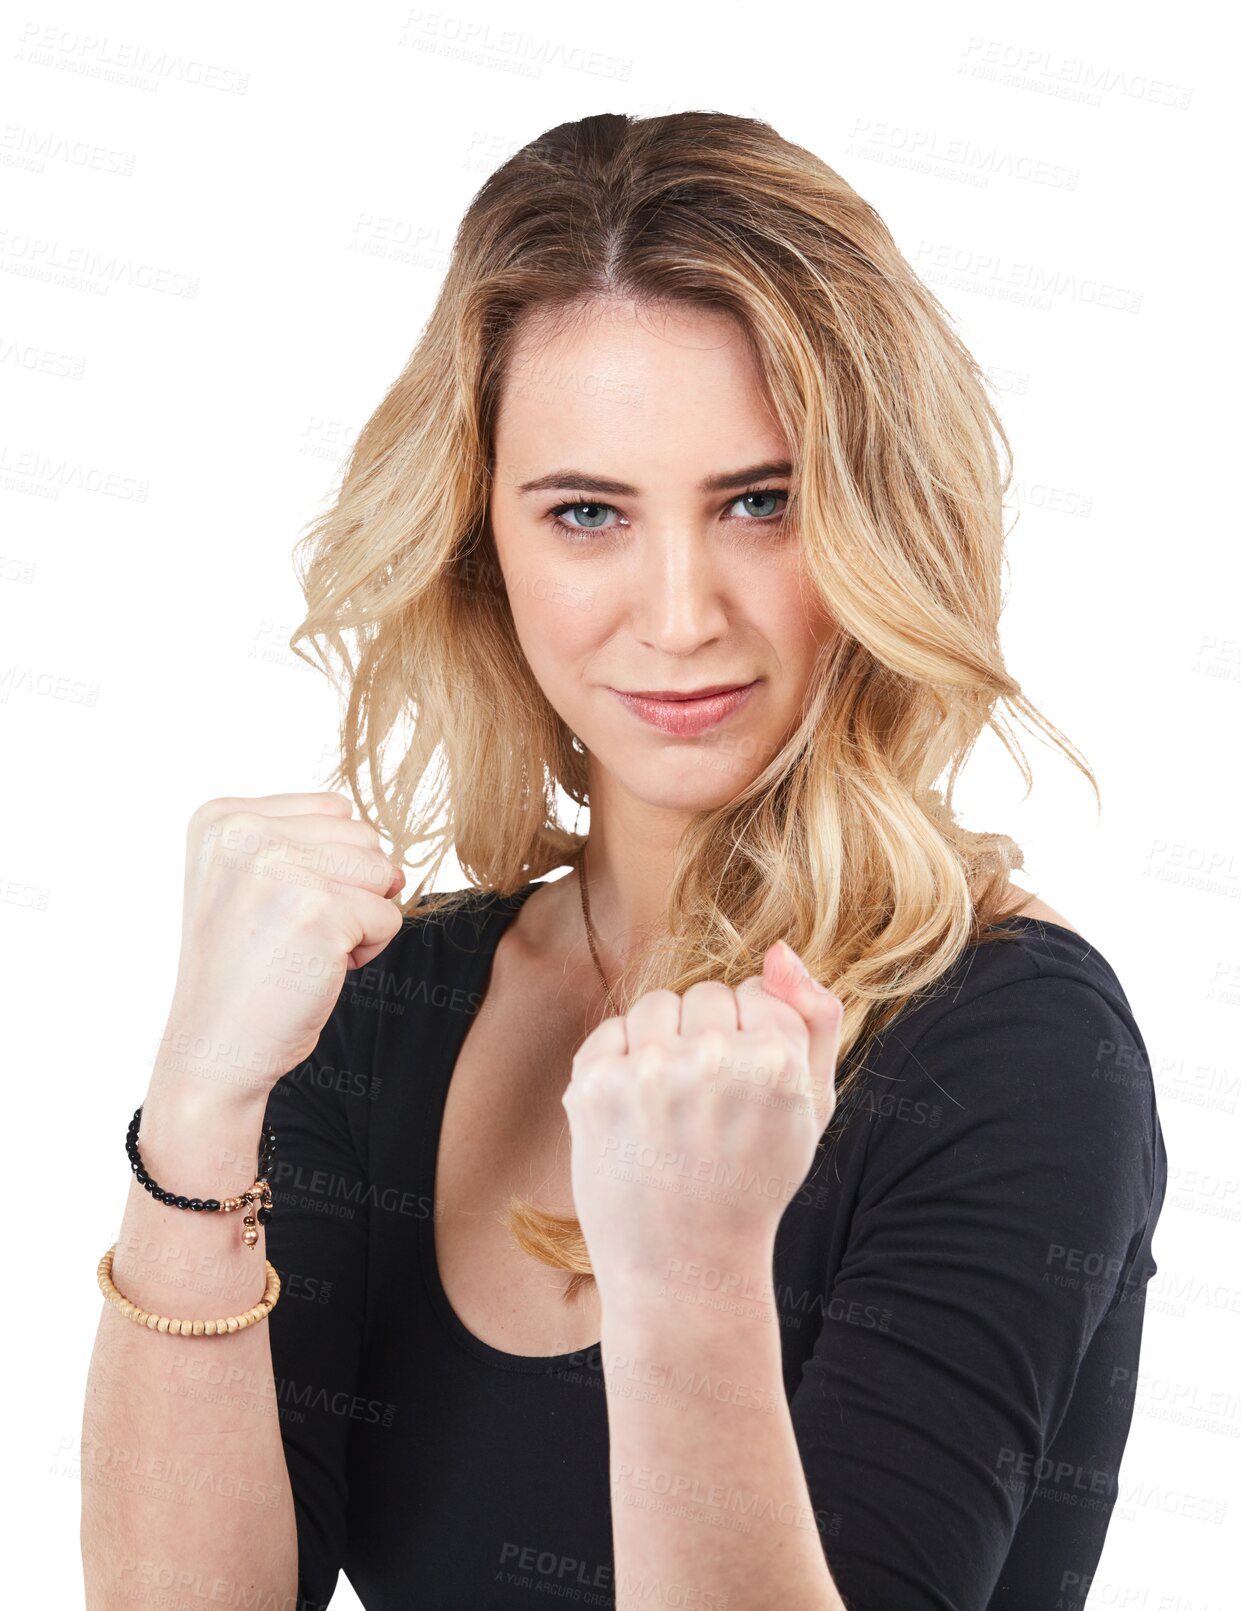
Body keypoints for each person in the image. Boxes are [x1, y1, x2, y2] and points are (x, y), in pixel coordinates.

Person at [81, 111, 1166, 1611]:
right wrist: (198, 1109)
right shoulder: (381, 1008)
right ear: (482, 542)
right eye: (586, 513)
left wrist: (695, 1275)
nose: (675, 613)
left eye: (759, 503)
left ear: (881, 514)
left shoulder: (1008, 1039)